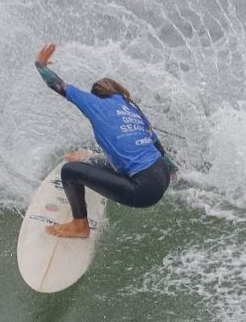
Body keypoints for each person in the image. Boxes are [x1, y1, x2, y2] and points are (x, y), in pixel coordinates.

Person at [33, 42, 176, 238]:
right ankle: (88, 158)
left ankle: (79, 226)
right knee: (120, 161)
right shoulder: (131, 108)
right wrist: (173, 170)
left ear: (97, 95)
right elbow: (160, 149)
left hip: (143, 190)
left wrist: (40, 65)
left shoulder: (95, 103)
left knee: (69, 171)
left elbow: (57, 84)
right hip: (162, 174)